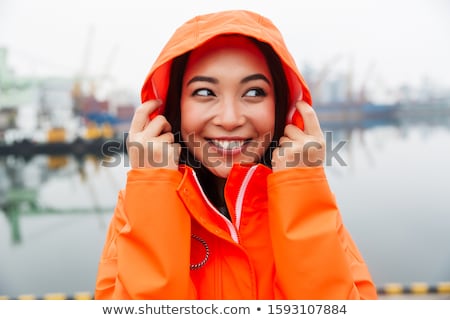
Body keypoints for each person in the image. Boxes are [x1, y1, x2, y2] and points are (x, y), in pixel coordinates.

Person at [95, 9, 378, 300]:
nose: (229, 119)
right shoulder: (139, 205)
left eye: (254, 92)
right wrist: (154, 191)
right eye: (205, 93)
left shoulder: (307, 201)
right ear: (173, 107)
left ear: (282, 106)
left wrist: (302, 190)